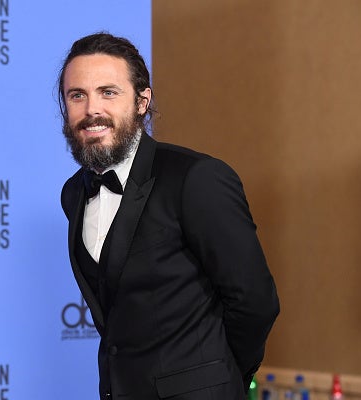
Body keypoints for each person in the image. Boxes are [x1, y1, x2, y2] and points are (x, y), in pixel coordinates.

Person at [58, 32, 279, 400]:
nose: (91, 109)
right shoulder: (74, 193)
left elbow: (255, 302)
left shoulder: (196, 178)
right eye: (77, 95)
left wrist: (218, 377)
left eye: (108, 92)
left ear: (142, 101)